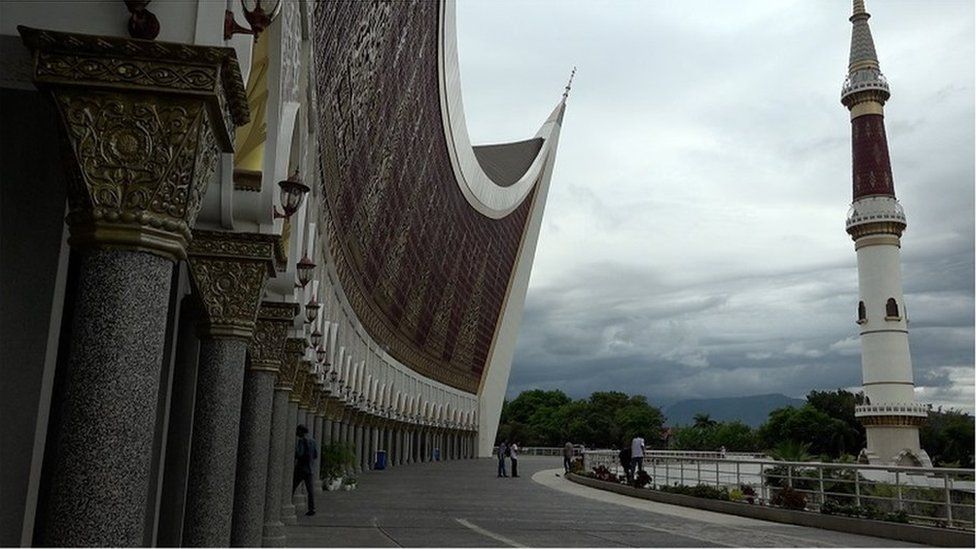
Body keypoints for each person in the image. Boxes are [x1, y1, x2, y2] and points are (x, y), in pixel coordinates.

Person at [293, 424, 318, 516]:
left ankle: (287, 503)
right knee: (310, 490)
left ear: (301, 432)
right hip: (310, 469)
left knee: (292, 486)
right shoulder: (313, 441)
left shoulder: (301, 441)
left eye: (297, 431)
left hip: (301, 468)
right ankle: (312, 508)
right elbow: (315, 455)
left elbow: (300, 453)